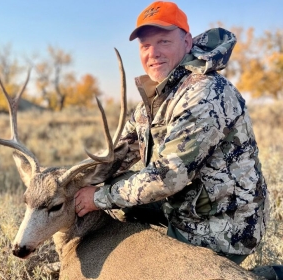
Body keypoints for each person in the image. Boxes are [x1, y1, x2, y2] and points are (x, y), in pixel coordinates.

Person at [74, 1, 270, 265]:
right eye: (145, 46)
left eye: (164, 41)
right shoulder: (160, 95)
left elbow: (167, 177)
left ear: (187, 42)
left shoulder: (205, 93)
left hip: (226, 224)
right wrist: (74, 179)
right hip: (187, 204)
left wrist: (98, 198)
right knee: (122, 197)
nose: (153, 53)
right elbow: (121, 151)